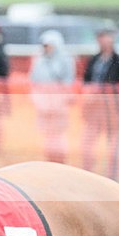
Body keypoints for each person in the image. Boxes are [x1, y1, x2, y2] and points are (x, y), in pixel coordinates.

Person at [81, 29, 119, 180]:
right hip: (93, 110)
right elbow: (86, 82)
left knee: (114, 146)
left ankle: (113, 177)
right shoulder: (94, 60)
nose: (102, 41)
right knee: (88, 143)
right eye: (100, 37)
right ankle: (87, 174)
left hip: (112, 111)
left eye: (105, 37)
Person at [29, 30, 76, 164]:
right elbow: (34, 81)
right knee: (47, 134)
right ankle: (49, 159)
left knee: (58, 133)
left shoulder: (65, 60)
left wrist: (61, 99)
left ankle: (59, 159)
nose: (46, 48)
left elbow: (67, 82)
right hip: (43, 104)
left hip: (59, 104)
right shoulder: (39, 60)